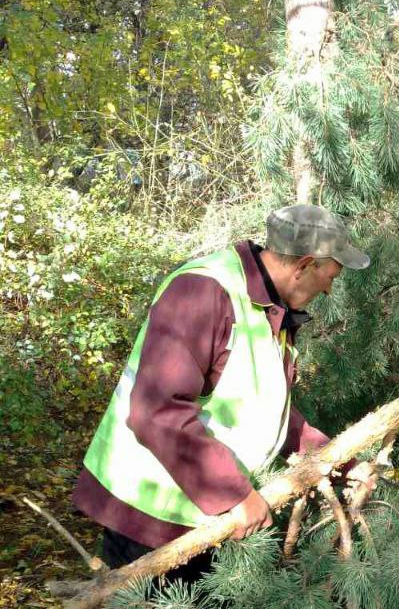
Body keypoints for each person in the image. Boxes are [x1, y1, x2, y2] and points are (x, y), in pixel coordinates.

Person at [73, 203, 371, 576]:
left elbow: (263, 405)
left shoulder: (269, 309)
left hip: (207, 513)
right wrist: (235, 494)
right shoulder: (204, 292)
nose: (329, 290)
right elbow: (156, 411)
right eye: (332, 275)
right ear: (304, 265)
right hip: (151, 518)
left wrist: (338, 461)